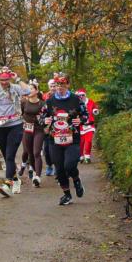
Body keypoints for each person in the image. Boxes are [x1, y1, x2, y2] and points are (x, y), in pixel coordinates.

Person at [42, 72, 89, 206]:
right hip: (54, 139)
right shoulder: (50, 101)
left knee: (69, 165)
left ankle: (76, 179)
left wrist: (80, 120)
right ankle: (67, 195)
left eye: (62, 85)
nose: (59, 87)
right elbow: (41, 117)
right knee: (60, 169)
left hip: (72, 138)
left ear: (67, 85)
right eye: (57, 85)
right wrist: (45, 120)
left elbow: (85, 115)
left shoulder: (75, 99)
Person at [0, 66, 28, 197]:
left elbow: (28, 90)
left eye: (6, 79)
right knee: (7, 157)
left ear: (9, 78)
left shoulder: (15, 87)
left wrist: (17, 78)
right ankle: (16, 180)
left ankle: (7, 184)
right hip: (0, 127)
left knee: (10, 155)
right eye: (2, 79)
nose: (4, 82)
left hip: (15, 125)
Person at [18, 81, 46, 187]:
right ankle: (34, 172)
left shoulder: (42, 104)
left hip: (38, 130)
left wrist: (46, 126)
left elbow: (46, 116)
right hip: (27, 130)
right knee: (30, 154)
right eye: (27, 89)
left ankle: (38, 176)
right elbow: (20, 114)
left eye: (31, 88)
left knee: (36, 153)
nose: (29, 91)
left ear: (37, 91)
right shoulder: (24, 102)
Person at [76, 88, 99, 163]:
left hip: (89, 126)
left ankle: (87, 156)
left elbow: (95, 108)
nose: (81, 96)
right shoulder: (77, 103)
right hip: (81, 126)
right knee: (81, 142)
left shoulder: (90, 101)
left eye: (83, 95)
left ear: (85, 95)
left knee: (88, 141)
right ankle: (81, 156)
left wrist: (95, 111)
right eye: (80, 95)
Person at [42, 78, 58, 176]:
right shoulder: (44, 97)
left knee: (57, 148)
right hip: (47, 126)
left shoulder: (61, 97)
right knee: (47, 149)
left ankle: (57, 166)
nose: (53, 88)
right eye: (51, 86)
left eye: (54, 86)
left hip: (59, 126)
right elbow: (41, 111)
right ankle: (49, 165)